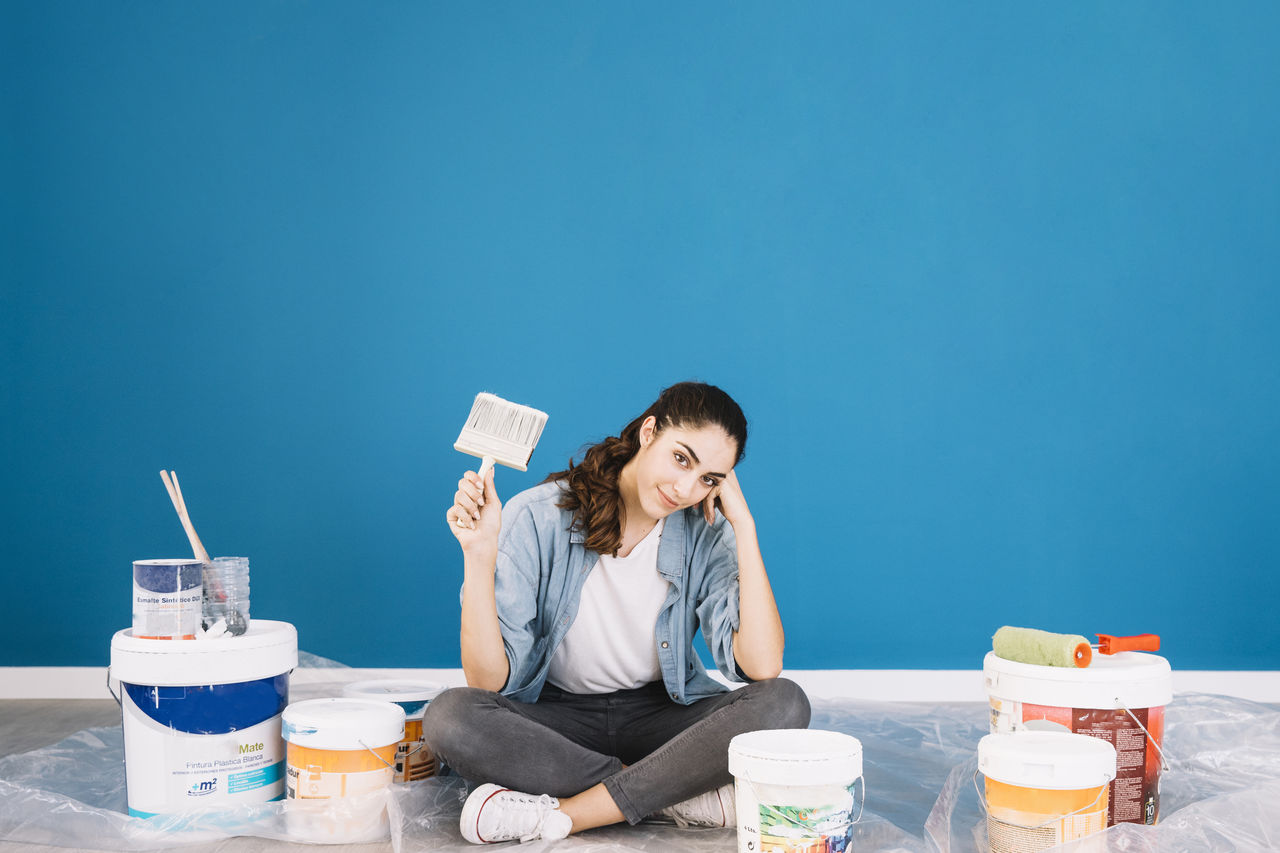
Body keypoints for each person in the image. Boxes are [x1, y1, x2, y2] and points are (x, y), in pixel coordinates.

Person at [424, 381, 810, 844]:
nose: (685, 488)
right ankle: (674, 796)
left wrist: (744, 527)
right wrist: (479, 555)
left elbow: (762, 666)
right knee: (449, 716)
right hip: (558, 723)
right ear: (649, 432)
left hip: (662, 719)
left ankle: (568, 813)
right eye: (681, 458)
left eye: (709, 479)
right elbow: (487, 683)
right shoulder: (537, 516)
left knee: (785, 701)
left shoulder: (706, 531)